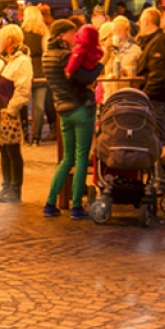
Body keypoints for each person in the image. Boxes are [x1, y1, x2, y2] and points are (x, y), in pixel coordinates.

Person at [42, 19, 101, 219]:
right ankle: (76, 206)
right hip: (80, 110)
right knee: (82, 157)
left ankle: (50, 203)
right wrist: (99, 66)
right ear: (60, 35)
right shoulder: (66, 55)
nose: (74, 38)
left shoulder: (46, 55)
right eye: (70, 34)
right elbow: (84, 78)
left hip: (63, 110)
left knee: (67, 158)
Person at [0, 23, 34, 205]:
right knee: (3, 150)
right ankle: (6, 186)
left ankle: (15, 189)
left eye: (1, 38)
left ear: (9, 40)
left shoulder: (22, 61)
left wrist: (12, 109)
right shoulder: (1, 60)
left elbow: (23, 89)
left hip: (8, 112)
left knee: (13, 151)